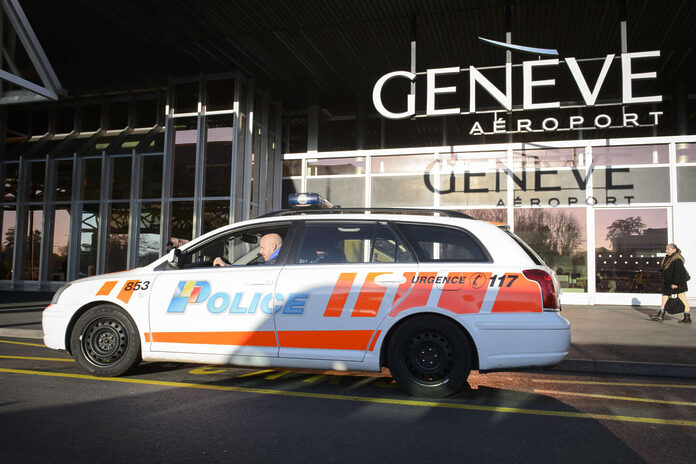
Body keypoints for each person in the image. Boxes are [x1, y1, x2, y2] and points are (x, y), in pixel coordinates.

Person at [651, 243, 691, 323]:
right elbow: (665, 271)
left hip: (677, 283)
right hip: (668, 283)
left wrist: (675, 283)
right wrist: (662, 264)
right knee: (665, 296)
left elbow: (679, 272)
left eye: (668, 249)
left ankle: (687, 317)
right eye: (666, 249)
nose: (666, 251)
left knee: (682, 298)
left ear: (674, 250)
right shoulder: (668, 258)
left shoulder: (677, 259)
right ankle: (661, 314)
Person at [213, 233, 282, 267]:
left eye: (262, 248)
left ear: (273, 247)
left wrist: (225, 265)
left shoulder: (277, 262)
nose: (260, 252)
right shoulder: (283, 258)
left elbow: (256, 271)